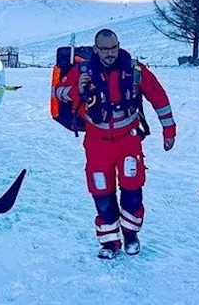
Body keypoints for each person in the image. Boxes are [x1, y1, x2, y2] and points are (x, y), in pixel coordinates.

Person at [56, 29, 176, 258]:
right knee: (101, 191)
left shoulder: (135, 70)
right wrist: (77, 89)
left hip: (128, 140)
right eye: (105, 49)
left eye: (114, 48)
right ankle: (109, 241)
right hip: (96, 142)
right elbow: (59, 92)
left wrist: (169, 130)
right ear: (95, 49)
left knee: (132, 187)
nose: (110, 53)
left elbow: (158, 96)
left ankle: (131, 235)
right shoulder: (82, 70)